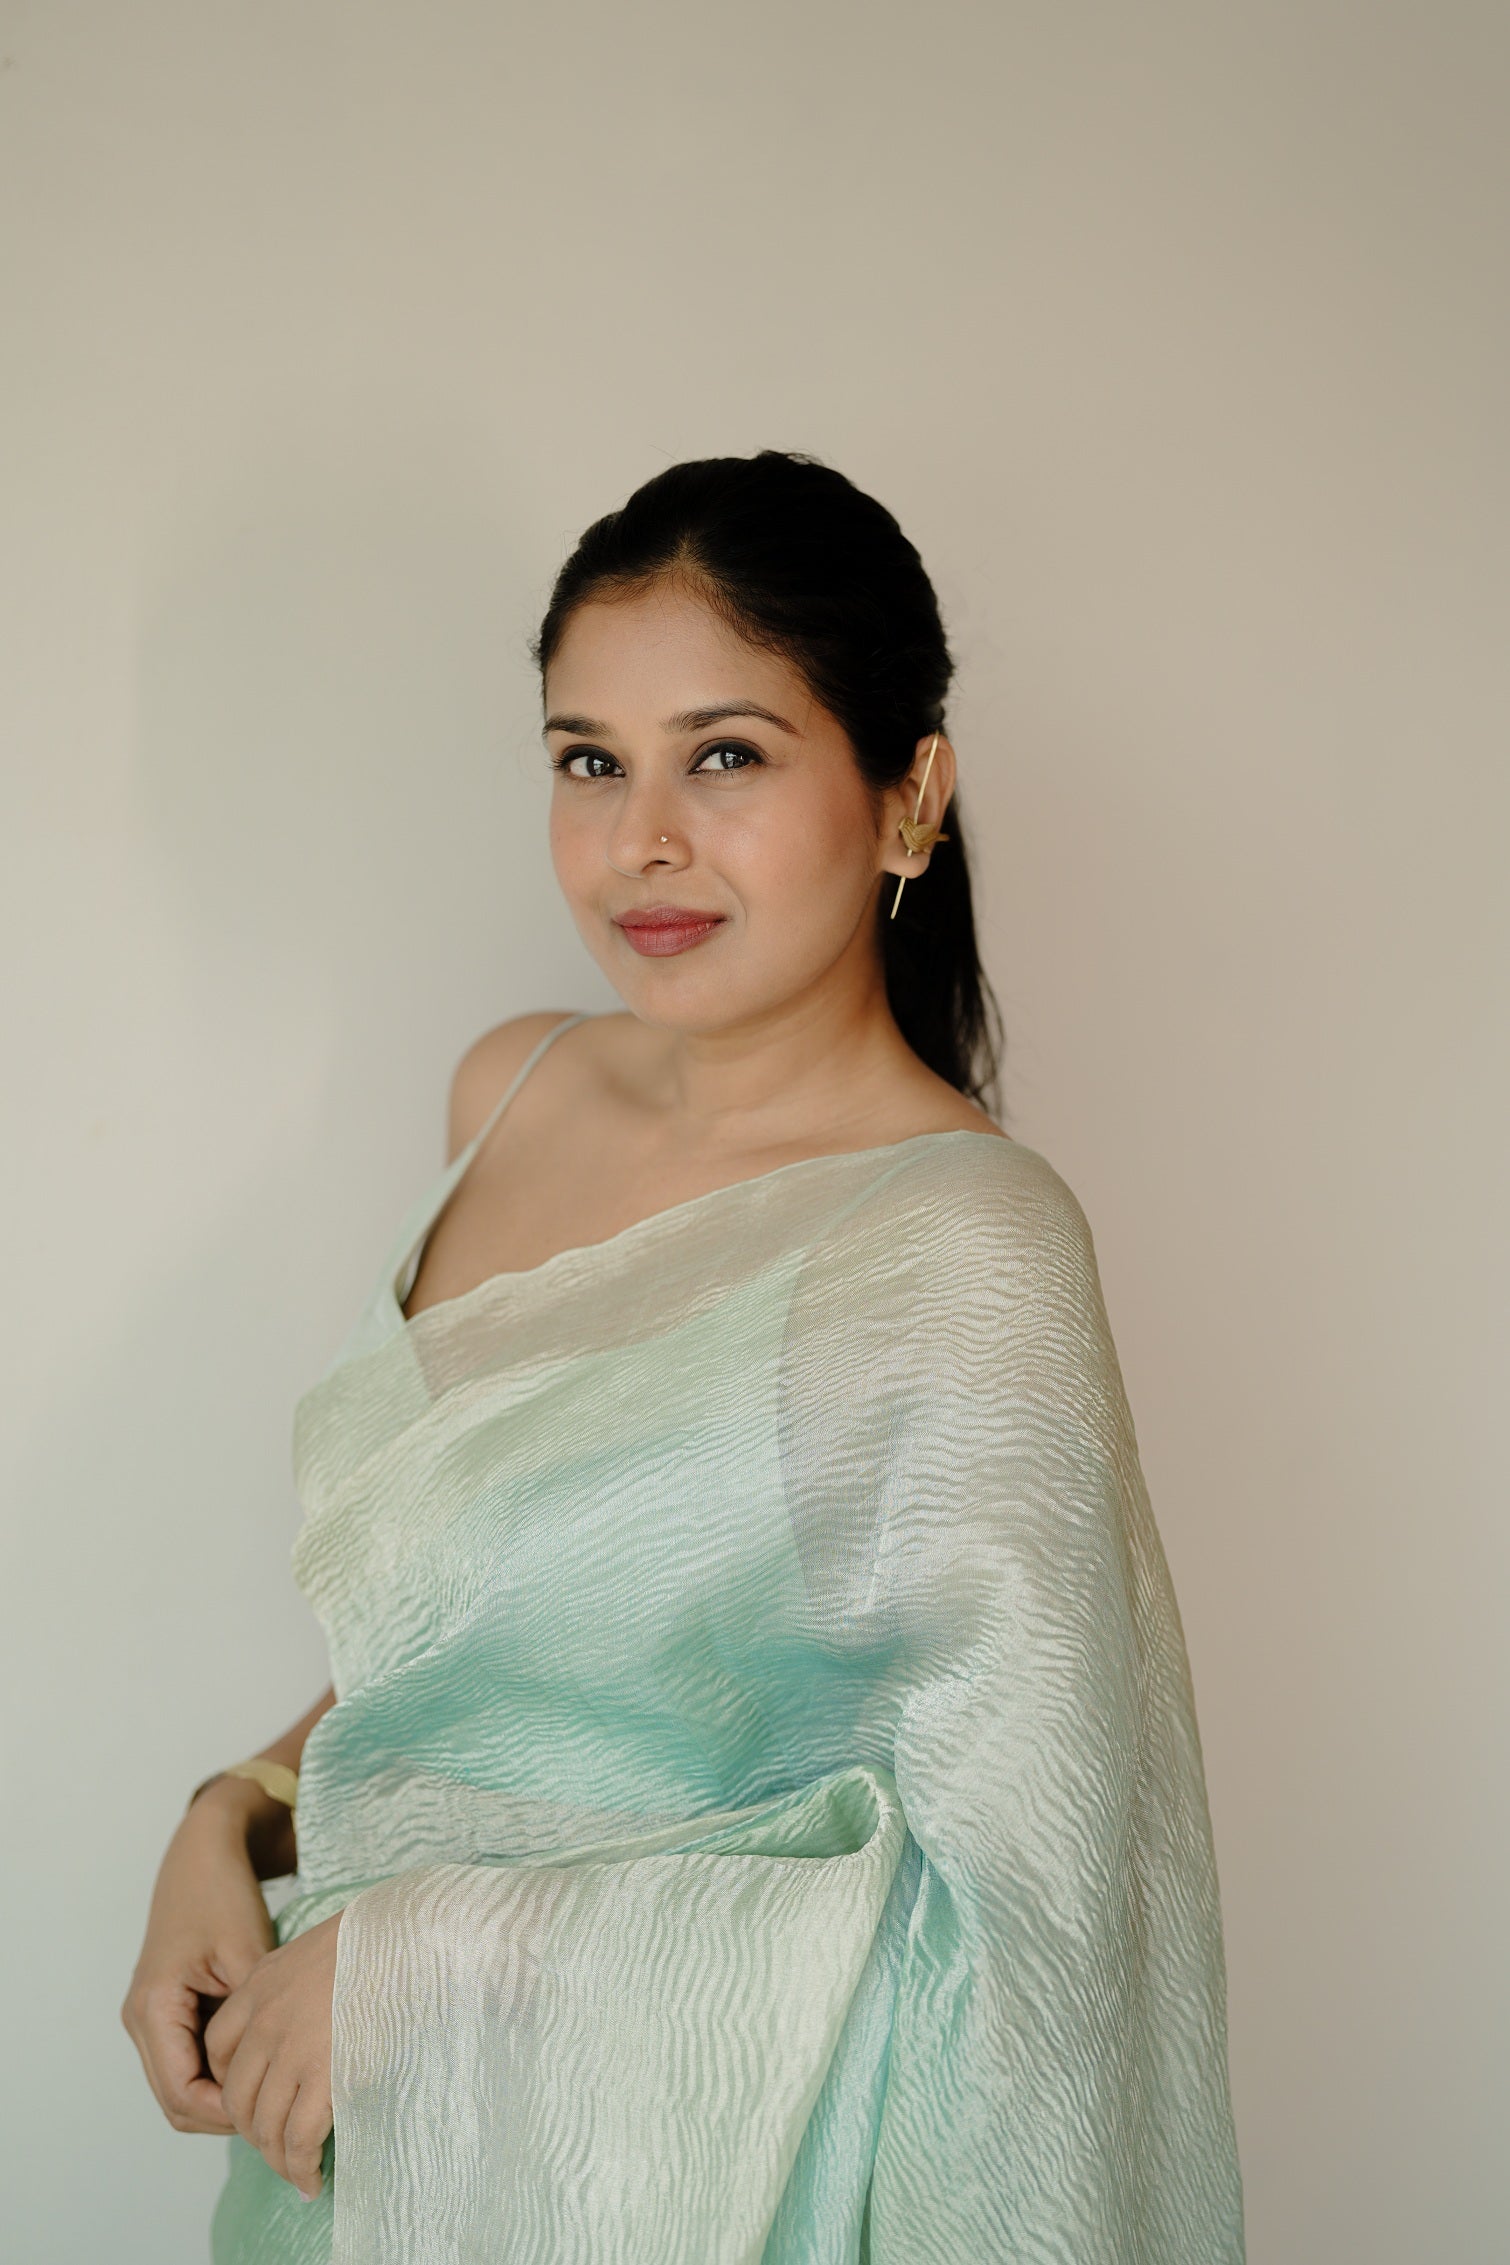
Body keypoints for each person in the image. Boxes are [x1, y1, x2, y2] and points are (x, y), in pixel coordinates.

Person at [122, 449, 1245, 2262]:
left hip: (684, 2187)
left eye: (723, 754)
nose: (639, 840)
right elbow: (505, 1638)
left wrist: (441, 1968)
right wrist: (235, 1809)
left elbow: (1016, 1917)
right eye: (590, 761)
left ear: (907, 791)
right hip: (352, 2149)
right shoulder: (514, 1092)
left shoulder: (959, 1247)